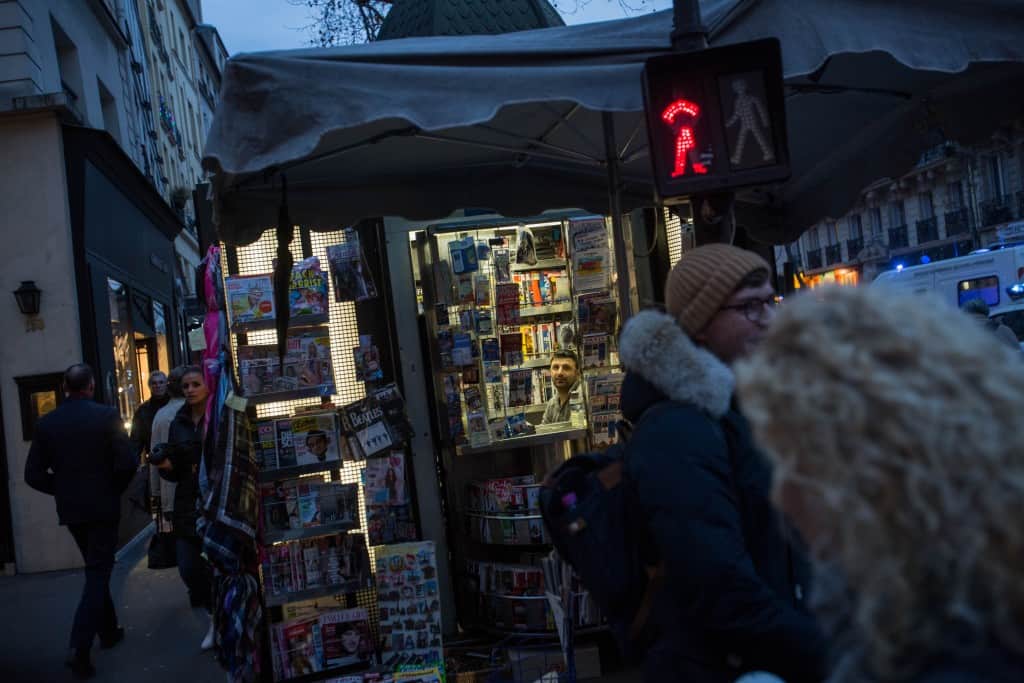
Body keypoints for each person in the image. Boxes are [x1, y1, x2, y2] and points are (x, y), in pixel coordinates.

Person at [735, 285, 1024, 682]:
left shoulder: (950, 652)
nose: (781, 494)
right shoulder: (936, 599)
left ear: (872, 468)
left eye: (792, 460)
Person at [617, 244, 827, 683]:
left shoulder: (742, 410)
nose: (768, 319)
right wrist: (828, 654)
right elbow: (720, 588)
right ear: (700, 324)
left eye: (770, 302)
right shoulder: (677, 432)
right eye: (750, 307)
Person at [24, 363, 137, 679]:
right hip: (102, 506)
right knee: (98, 572)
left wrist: (62, 490)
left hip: (72, 510)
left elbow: (32, 474)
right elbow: (127, 462)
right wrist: (112, 489)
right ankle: (80, 648)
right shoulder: (106, 416)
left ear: (64, 388)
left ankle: (109, 629)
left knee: (95, 566)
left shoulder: (47, 423)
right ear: (90, 386)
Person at [153, 365, 214, 650]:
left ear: (207, 385)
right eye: (186, 385)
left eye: (195, 384)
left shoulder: (218, 416)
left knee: (217, 564)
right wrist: (166, 467)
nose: (190, 390)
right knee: (188, 567)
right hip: (187, 501)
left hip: (217, 500)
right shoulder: (178, 421)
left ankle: (220, 622)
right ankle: (214, 614)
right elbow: (174, 468)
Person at [148, 367, 187, 560]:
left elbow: (154, 458)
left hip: (171, 493)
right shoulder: (195, 410)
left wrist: (156, 493)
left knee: (183, 545)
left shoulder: (161, 416)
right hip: (199, 491)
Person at [129, 371, 169, 459]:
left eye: (161, 382)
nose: (158, 386)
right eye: (154, 383)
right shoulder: (142, 410)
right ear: (149, 386)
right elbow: (136, 440)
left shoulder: (175, 405)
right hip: (154, 457)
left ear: (166, 384)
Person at [541, 350, 579, 424]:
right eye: (555, 367)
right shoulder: (552, 404)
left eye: (566, 368)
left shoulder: (583, 397)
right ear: (550, 372)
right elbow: (544, 431)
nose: (560, 373)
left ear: (577, 373)